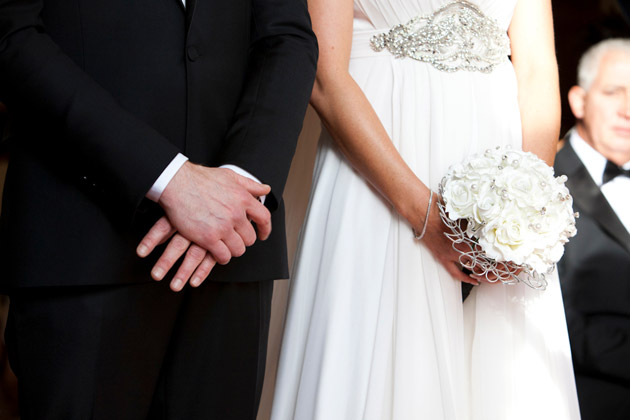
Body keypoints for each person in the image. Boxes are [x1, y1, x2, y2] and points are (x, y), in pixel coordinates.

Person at [0, 0, 317, 419]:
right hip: (83, 241)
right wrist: (169, 178)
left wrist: (238, 185)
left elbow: (288, 37)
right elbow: (10, 33)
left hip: (231, 246)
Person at [270, 0, 580, 419]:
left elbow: (538, 70)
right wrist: (424, 216)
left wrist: (523, 210)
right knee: (385, 360)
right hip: (381, 169)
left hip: (497, 172)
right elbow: (325, 76)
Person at [555, 38, 630, 420]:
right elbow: (553, 318)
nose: (628, 110)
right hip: (584, 394)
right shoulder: (542, 182)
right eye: (614, 92)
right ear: (579, 101)